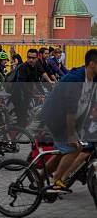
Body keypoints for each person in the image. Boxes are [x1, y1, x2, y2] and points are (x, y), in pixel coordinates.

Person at [42, 49, 97, 193]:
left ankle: (38, 177)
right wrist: (72, 134)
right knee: (74, 148)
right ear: (92, 64)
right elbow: (70, 110)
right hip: (56, 117)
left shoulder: (93, 79)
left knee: (63, 152)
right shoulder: (75, 79)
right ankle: (56, 183)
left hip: (72, 118)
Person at [10, 49, 52, 128]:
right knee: (22, 114)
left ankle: (23, 129)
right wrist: (34, 94)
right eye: (29, 57)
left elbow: (36, 81)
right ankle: (19, 133)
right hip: (18, 93)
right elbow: (22, 85)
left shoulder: (35, 67)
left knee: (25, 112)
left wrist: (42, 92)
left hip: (26, 93)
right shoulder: (23, 68)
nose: (31, 60)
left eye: (33, 58)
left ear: (37, 58)